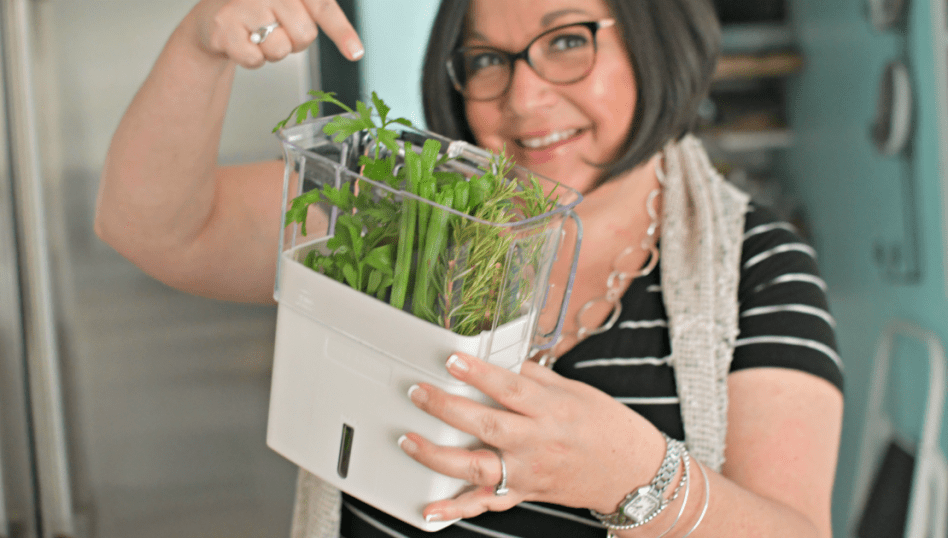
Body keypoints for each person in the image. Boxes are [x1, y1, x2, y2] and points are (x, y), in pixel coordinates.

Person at [95, 0, 845, 536]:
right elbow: (156, 227)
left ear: (657, 35)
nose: (523, 98)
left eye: (567, 41)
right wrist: (200, 46)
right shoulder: (402, 203)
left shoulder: (755, 266)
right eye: (487, 58)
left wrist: (633, 473)